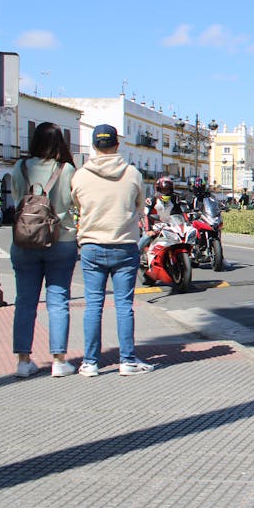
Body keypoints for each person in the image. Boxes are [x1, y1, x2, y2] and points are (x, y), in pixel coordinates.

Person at [70, 124, 151, 376]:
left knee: (93, 305)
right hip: (125, 245)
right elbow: (140, 207)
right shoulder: (132, 174)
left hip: (92, 245)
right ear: (117, 145)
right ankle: (127, 360)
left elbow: (77, 204)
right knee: (124, 305)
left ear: (94, 146)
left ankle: (91, 362)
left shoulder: (80, 175)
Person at [10, 122, 78, 378]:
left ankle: (23, 361)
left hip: (25, 240)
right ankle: (59, 361)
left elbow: (17, 196)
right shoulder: (67, 169)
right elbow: (74, 202)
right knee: (58, 301)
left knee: (25, 302)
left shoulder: (19, 167)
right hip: (61, 241)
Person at [139, 176, 185, 258]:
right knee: (147, 237)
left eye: (167, 190)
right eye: (163, 190)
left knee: (183, 238)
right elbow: (146, 214)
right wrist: (148, 230)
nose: (166, 192)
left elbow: (180, 213)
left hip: (171, 225)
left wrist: (185, 224)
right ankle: (135, 255)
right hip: (155, 226)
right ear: (158, 189)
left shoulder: (175, 199)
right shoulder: (151, 200)